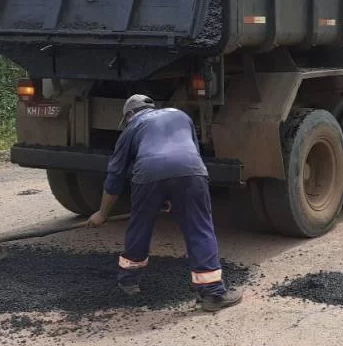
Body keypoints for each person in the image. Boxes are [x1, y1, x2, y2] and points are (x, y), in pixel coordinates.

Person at [87, 95, 243, 312]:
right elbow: (186, 153)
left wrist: (102, 214)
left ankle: (129, 282)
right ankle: (213, 294)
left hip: (149, 173)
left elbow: (115, 176)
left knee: (140, 225)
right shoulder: (181, 116)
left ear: (130, 115)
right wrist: (171, 196)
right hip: (191, 171)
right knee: (199, 227)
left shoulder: (131, 128)